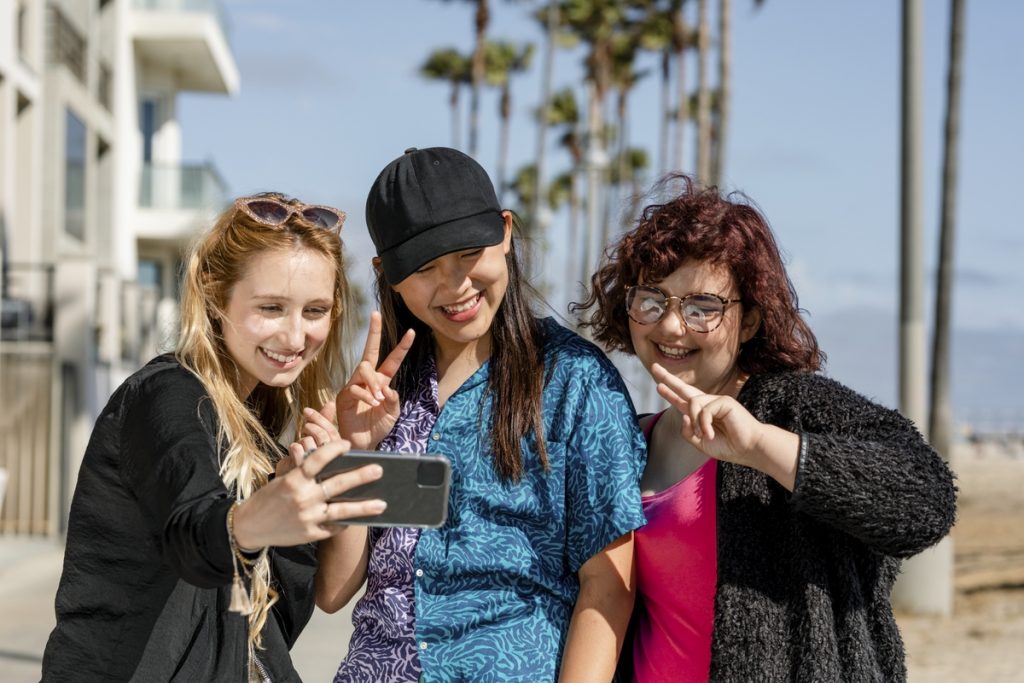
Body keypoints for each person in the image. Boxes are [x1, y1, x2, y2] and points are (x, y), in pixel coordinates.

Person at [574, 176, 957, 682]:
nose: (670, 326)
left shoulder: (794, 407)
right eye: (652, 300)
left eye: (701, 308)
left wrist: (759, 446)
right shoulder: (630, 438)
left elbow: (927, 499)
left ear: (750, 320)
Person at [315, 147, 647, 682]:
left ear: (506, 233)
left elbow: (608, 588)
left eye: (469, 253)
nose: (456, 286)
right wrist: (357, 451)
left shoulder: (576, 381)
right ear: (388, 274)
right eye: (425, 268)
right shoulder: (383, 393)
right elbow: (335, 592)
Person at [41, 194, 391, 682]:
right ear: (213, 296)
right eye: (271, 307)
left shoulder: (264, 429)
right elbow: (192, 528)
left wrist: (353, 453)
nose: (295, 337)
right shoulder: (166, 396)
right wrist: (246, 524)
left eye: (315, 310)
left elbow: (321, 598)